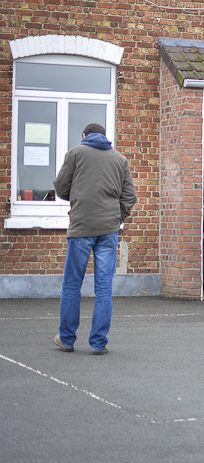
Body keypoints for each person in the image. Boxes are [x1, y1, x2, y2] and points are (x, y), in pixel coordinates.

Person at [52, 123, 137, 355]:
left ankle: (67, 339)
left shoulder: (75, 153)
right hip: (108, 230)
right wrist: (117, 218)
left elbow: (61, 188)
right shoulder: (120, 159)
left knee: (72, 285)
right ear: (104, 136)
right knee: (104, 288)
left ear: (84, 135)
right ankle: (99, 343)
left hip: (81, 227)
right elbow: (130, 196)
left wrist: (77, 197)